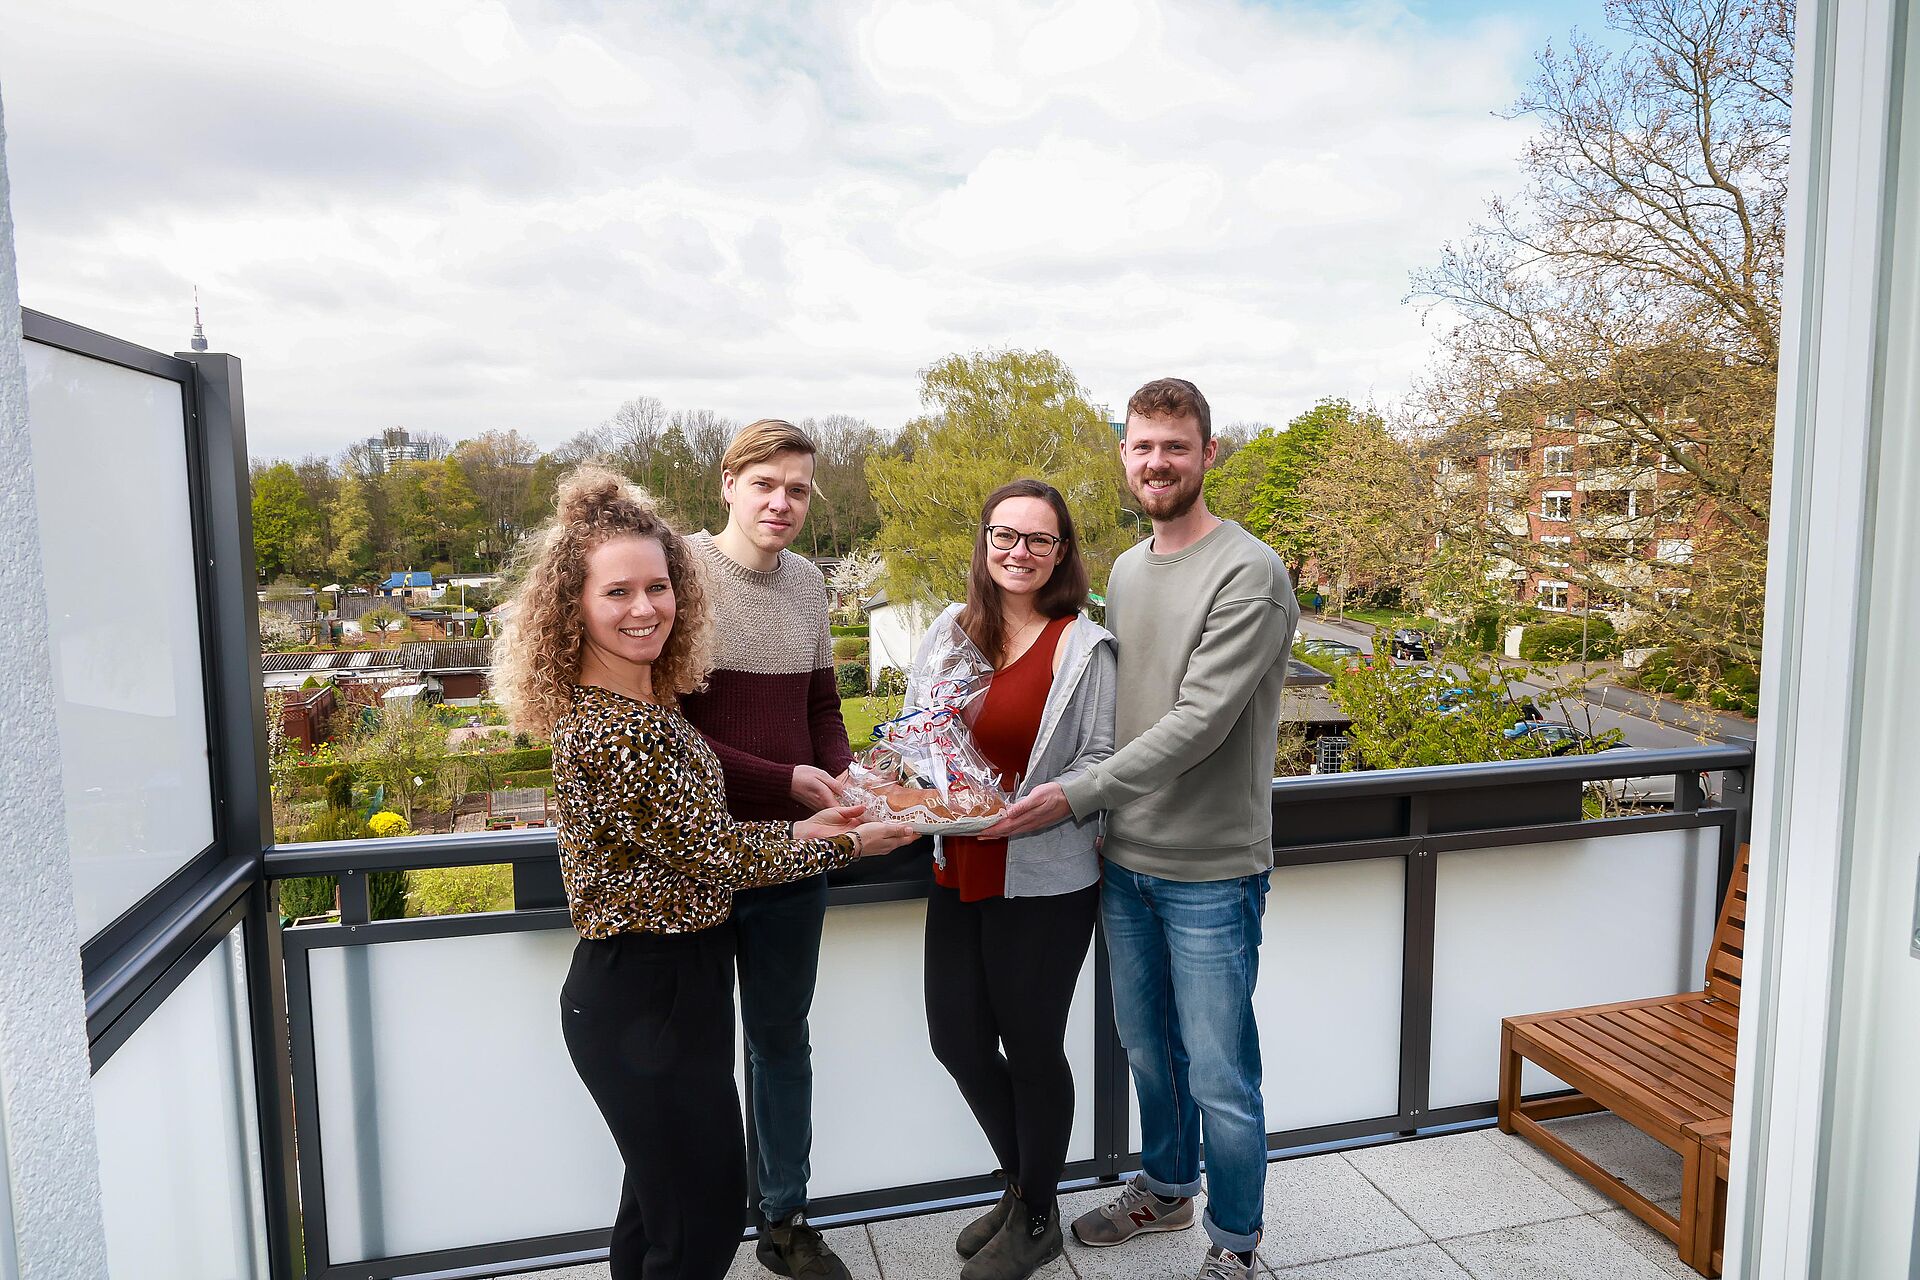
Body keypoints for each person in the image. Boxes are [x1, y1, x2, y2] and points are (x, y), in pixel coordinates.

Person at [493, 466, 915, 1280]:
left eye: (658, 586)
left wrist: (810, 824)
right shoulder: (618, 729)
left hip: (666, 988)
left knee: (657, 1215)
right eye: (617, 593)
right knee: (700, 1223)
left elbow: (698, 839)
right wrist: (842, 844)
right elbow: (713, 856)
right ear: (571, 607)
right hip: (643, 996)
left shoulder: (641, 707)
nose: (644, 608)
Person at [992, 379, 1297, 1280]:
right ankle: (1167, 1192)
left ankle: (1236, 1246)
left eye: (1174, 445)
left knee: (1219, 1073)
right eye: (1141, 446)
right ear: (1123, 456)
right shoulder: (1125, 570)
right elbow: (1103, 704)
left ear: (1210, 454)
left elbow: (1200, 720)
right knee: (1147, 1054)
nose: (1156, 462)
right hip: (1123, 861)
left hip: (1210, 868)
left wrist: (1077, 795)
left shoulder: (1251, 570)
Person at [909, 479, 1115, 1280]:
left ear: (1061, 554)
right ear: (984, 541)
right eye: (1005, 535)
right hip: (956, 860)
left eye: (1039, 539)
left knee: (1030, 1044)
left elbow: (1103, 758)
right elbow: (916, 737)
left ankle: (1034, 1216)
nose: (1018, 552)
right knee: (956, 1038)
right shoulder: (949, 629)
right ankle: (1026, 1184)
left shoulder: (1082, 646)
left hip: (1045, 875)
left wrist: (1041, 805)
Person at [677, 418, 862, 1279]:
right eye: (766, 485)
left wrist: (845, 786)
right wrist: (782, 781)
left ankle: (784, 1220)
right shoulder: (676, 575)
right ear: (728, 483)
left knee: (782, 1040)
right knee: (697, 1051)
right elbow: (667, 736)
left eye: (797, 488)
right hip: (704, 856)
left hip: (798, 860)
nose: (782, 503)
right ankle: (696, 1226)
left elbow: (824, 708)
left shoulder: (812, 585)